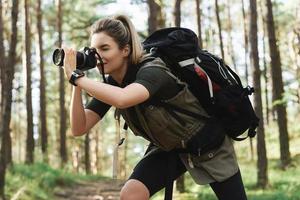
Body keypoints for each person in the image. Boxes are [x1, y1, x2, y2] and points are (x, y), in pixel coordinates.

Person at [62, 15, 248, 200]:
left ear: (125, 50)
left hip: (206, 142)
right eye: (94, 51)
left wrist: (78, 78)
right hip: (167, 146)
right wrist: (76, 84)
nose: (97, 56)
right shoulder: (112, 84)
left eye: (105, 48)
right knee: (131, 194)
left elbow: (123, 98)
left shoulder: (153, 71)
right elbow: (79, 128)